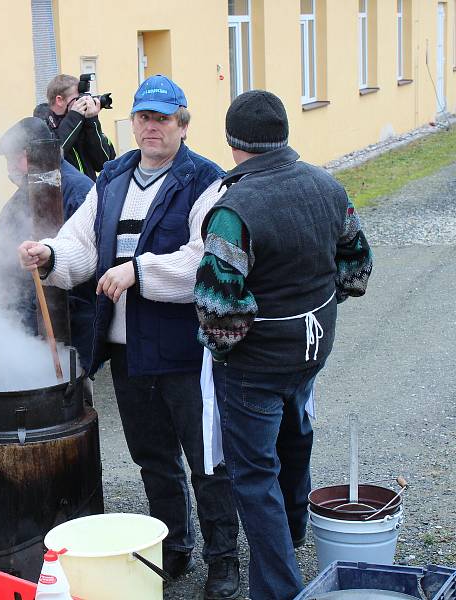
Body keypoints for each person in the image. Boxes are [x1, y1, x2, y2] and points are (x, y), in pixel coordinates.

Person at [20, 75, 241, 599]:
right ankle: (174, 546)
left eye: (163, 119)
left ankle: (224, 560)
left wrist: (138, 270)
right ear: (133, 122)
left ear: (182, 125)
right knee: (152, 457)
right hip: (126, 350)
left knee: (206, 460)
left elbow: (203, 263)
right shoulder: (114, 176)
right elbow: (79, 242)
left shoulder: (205, 180)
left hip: (185, 348)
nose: (151, 127)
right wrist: (50, 255)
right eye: (144, 117)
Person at [194, 90, 373, 600]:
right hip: (312, 350)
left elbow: (219, 308)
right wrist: (317, 303)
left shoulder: (233, 209)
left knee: (254, 479)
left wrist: (224, 350)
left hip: (255, 366)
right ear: (284, 135)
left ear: (232, 144)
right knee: (295, 437)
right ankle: (295, 532)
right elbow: (357, 268)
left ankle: (278, 589)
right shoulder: (329, 187)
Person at [0, 117, 96, 371]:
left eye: (14, 158)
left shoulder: (80, 193)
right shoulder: (17, 202)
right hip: (28, 327)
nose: (10, 168)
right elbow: (2, 265)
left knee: (74, 398)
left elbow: (88, 265)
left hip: (71, 327)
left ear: (34, 154)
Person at [34, 74, 116, 181]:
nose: (83, 103)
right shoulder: (41, 124)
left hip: (89, 193)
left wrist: (92, 121)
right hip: (63, 195)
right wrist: (74, 117)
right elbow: (52, 157)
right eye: (78, 99)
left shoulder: (81, 121)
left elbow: (102, 163)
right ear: (59, 100)